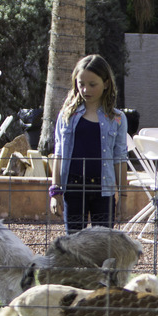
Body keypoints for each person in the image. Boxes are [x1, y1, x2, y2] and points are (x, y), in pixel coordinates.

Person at [49, 54, 128, 232]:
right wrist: (55, 192)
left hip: (104, 190)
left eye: (93, 84)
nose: (86, 90)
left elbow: (120, 158)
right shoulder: (66, 115)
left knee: (103, 244)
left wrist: (123, 195)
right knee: (74, 244)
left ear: (106, 83)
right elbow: (59, 153)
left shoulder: (117, 118)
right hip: (73, 188)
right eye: (81, 84)